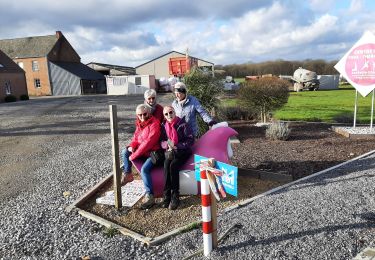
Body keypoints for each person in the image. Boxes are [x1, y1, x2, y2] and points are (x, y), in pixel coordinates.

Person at [121, 104, 161, 209]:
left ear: (149, 113)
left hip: (153, 153)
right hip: (142, 152)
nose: (142, 117)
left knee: (144, 170)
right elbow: (135, 139)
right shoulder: (139, 124)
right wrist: (132, 146)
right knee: (124, 152)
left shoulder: (154, 123)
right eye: (140, 115)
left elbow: (148, 143)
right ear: (137, 115)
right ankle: (128, 174)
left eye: (144, 114)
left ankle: (150, 195)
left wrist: (134, 155)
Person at [160, 106, 194, 210]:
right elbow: (162, 141)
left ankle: (175, 195)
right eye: (166, 114)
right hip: (171, 151)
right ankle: (166, 195)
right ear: (164, 116)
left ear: (174, 112)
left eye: (171, 112)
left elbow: (190, 140)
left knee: (173, 166)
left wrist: (177, 146)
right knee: (166, 165)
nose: (169, 115)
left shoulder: (183, 124)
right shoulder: (164, 125)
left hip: (183, 151)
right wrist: (167, 145)